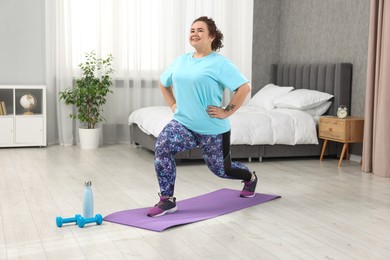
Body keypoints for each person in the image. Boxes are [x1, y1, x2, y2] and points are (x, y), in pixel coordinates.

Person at [147, 16, 257, 217]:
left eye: (200, 30)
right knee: (162, 146)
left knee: (221, 170)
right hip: (183, 124)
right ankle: (167, 200)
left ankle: (249, 177)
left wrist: (227, 111)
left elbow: (244, 87)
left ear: (212, 36)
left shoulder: (220, 64)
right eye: (191, 30)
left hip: (212, 129)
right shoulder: (181, 61)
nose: (194, 34)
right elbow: (164, 82)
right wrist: (172, 103)